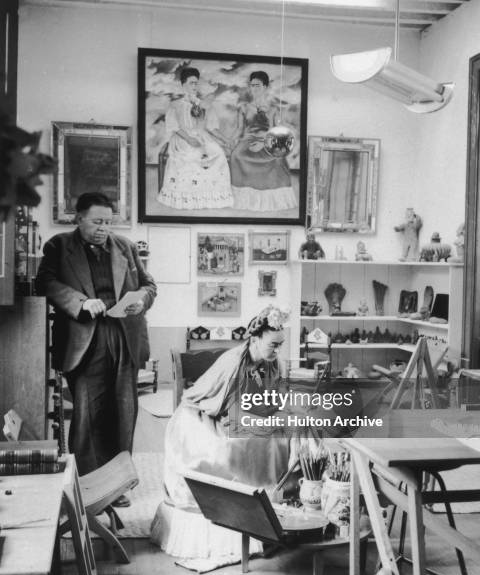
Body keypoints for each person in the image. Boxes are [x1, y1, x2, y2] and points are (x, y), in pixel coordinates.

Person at [35, 192, 157, 505]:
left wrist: (141, 300)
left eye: (108, 222)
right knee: (88, 416)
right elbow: (45, 283)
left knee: (124, 412)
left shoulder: (125, 247)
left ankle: (118, 488)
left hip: (124, 337)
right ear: (79, 219)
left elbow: (148, 285)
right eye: (97, 221)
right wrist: (81, 302)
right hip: (84, 339)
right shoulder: (59, 246)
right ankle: (87, 489)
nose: (104, 228)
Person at [151, 305, 291, 564]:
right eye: (273, 344)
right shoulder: (233, 364)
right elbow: (225, 413)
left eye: (281, 344)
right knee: (235, 446)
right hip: (205, 416)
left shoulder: (273, 362)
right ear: (255, 339)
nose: (278, 350)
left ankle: (271, 502)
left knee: (283, 436)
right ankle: (243, 503)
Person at [157, 67, 234, 210]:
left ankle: (210, 196)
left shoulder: (202, 104)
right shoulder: (176, 105)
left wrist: (225, 140)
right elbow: (174, 127)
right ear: (183, 84)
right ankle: (188, 198)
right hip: (182, 138)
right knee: (192, 156)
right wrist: (189, 139)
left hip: (201, 137)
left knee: (217, 152)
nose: (194, 86)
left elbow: (211, 127)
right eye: (191, 83)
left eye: (196, 83)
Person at [230, 70, 297, 212]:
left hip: (267, 139)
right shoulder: (243, 107)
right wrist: (230, 141)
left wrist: (263, 143)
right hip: (247, 140)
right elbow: (239, 129)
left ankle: (272, 200)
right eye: (252, 85)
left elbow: (276, 131)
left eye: (258, 85)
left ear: (265, 87)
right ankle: (243, 200)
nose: (254, 88)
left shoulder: (273, 109)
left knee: (278, 159)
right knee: (236, 155)